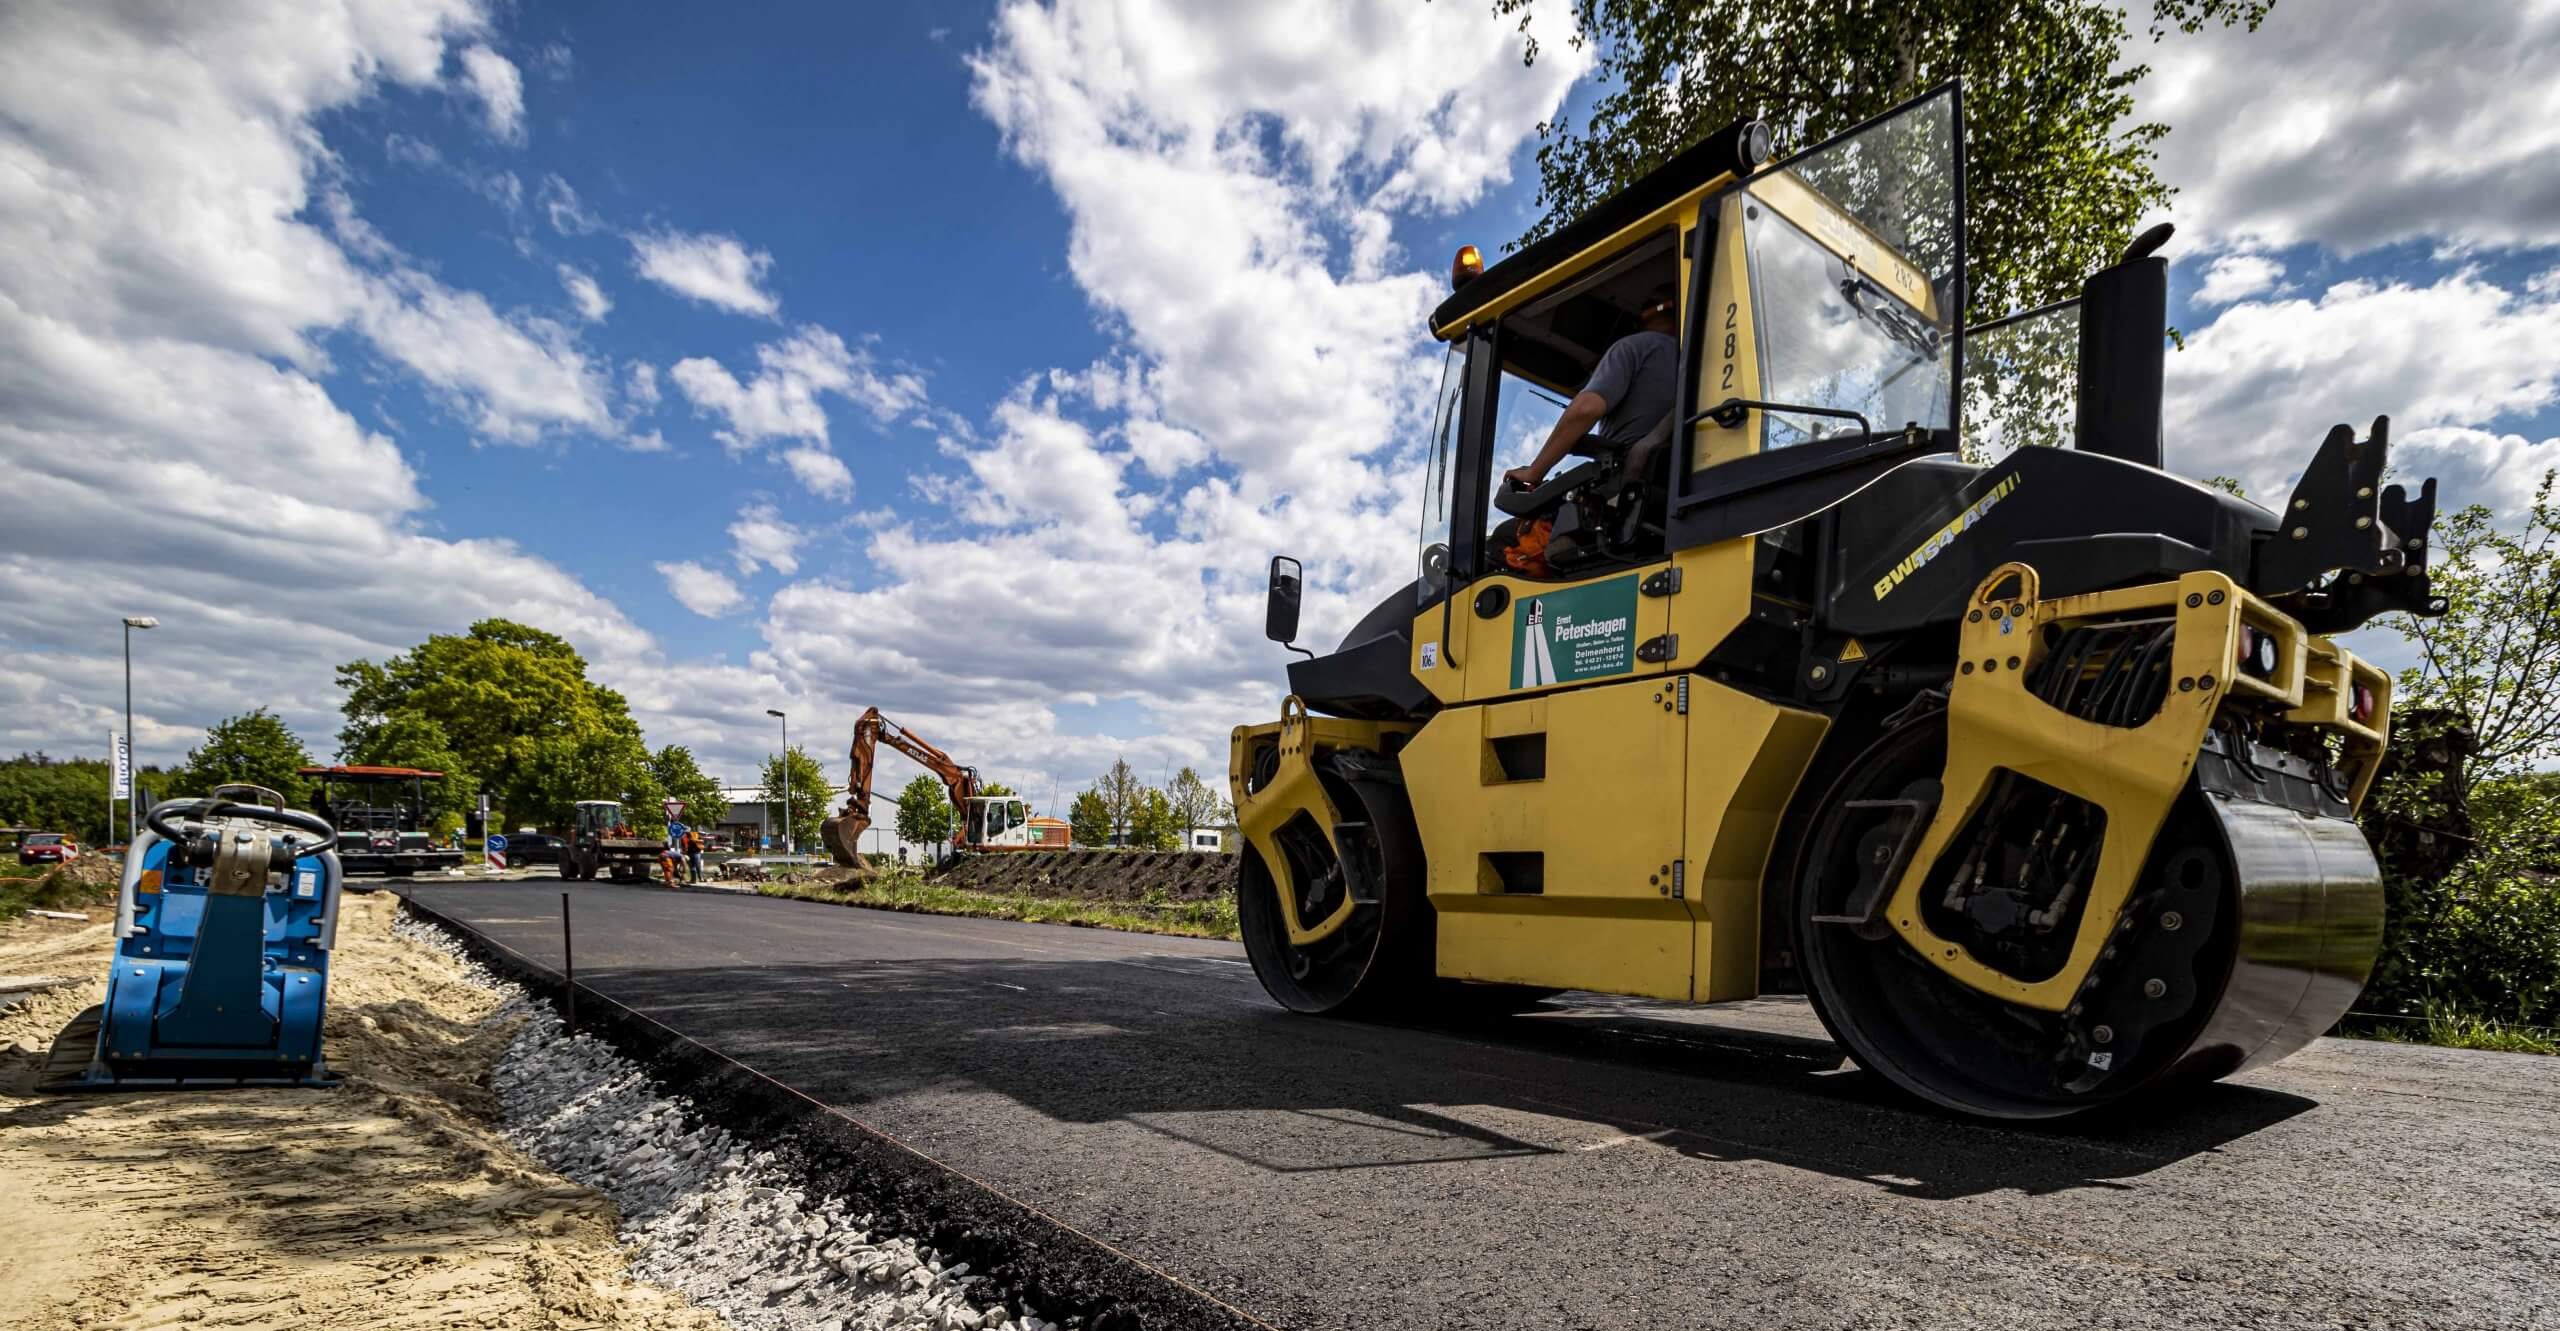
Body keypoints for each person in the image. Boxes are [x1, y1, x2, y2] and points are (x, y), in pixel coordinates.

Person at [1503, 286, 1681, 493]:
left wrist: (1534, 471)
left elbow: (1586, 409)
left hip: (1630, 490)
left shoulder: (1634, 346)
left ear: (1645, 314)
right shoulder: (1696, 363)